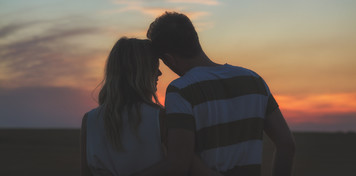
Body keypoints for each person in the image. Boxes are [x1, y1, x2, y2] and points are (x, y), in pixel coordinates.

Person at [134, 12, 295, 176]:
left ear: (169, 59)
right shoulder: (253, 80)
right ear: (195, 40)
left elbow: (178, 164)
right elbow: (286, 144)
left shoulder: (181, 90)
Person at [81, 37, 221, 176]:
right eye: (155, 66)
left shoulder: (90, 120)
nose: (159, 73)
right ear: (141, 72)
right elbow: (186, 166)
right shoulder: (161, 118)